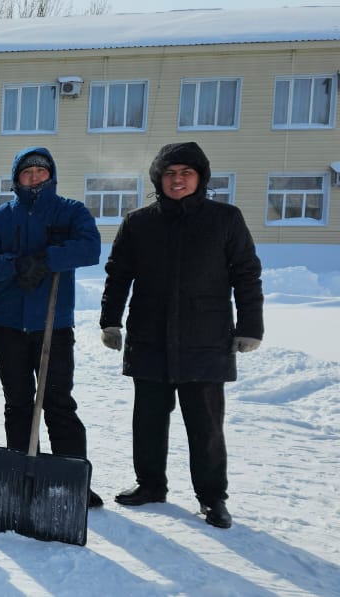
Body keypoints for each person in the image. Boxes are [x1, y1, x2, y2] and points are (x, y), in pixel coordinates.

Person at [100, 142, 263, 529]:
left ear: (200, 178)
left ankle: (212, 498)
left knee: (205, 426)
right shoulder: (139, 222)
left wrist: (250, 326)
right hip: (150, 338)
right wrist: (110, 320)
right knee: (149, 421)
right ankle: (150, 485)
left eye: (186, 173)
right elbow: (118, 275)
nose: (178, 179)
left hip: (205, 340)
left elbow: (246, 274)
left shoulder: (225, 219)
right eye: (170, 173)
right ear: (159, 178)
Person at [0, 147, 104, 508]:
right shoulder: (0, 217)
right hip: (9, 324)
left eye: (40, 172)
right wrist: (16, 265)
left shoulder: (70, 211)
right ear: (17, 179)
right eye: (26, 173)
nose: (33, 178)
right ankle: (22, 474)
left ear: (51, 176)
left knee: (58, 401)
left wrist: (46, 259)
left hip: (53, 325)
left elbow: (90, 249)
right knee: (18, 402)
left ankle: (72, 476)